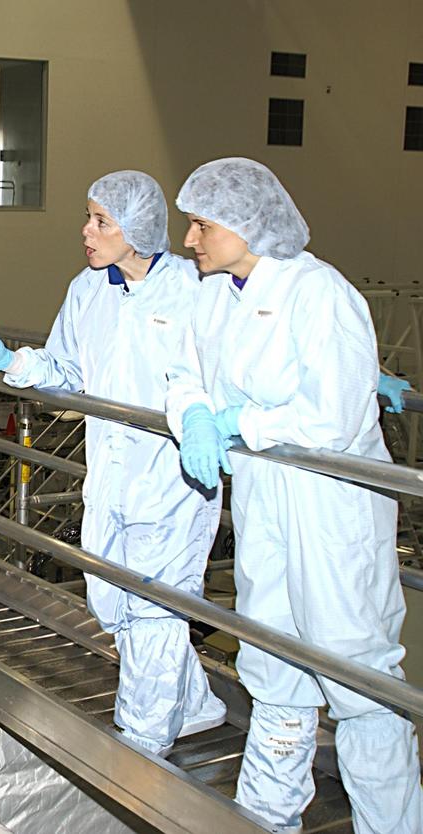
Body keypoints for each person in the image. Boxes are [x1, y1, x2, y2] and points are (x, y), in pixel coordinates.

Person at [166, 157, 422, 833]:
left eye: (201, 226)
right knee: (272, 660)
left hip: (330, 506)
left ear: (248, 226)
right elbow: (185, 372)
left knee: (357, 677)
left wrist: (240, 422)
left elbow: (333, 417)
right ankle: (266, 816)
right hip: (265, 500)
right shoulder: (213, 293)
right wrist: (193, 413)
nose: (189, 240)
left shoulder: (321, 294)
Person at [0, 171, 225, 757]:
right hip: (108, 478)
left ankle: (144, 741)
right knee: (113, 605)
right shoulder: (87, 290)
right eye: (89, 217)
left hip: (173, 481)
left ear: (135, 230)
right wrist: (18, 362)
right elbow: (69, 373)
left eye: (100, 220)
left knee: (155, 608)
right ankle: (197, 705)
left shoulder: (194, 290)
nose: (86, 230)